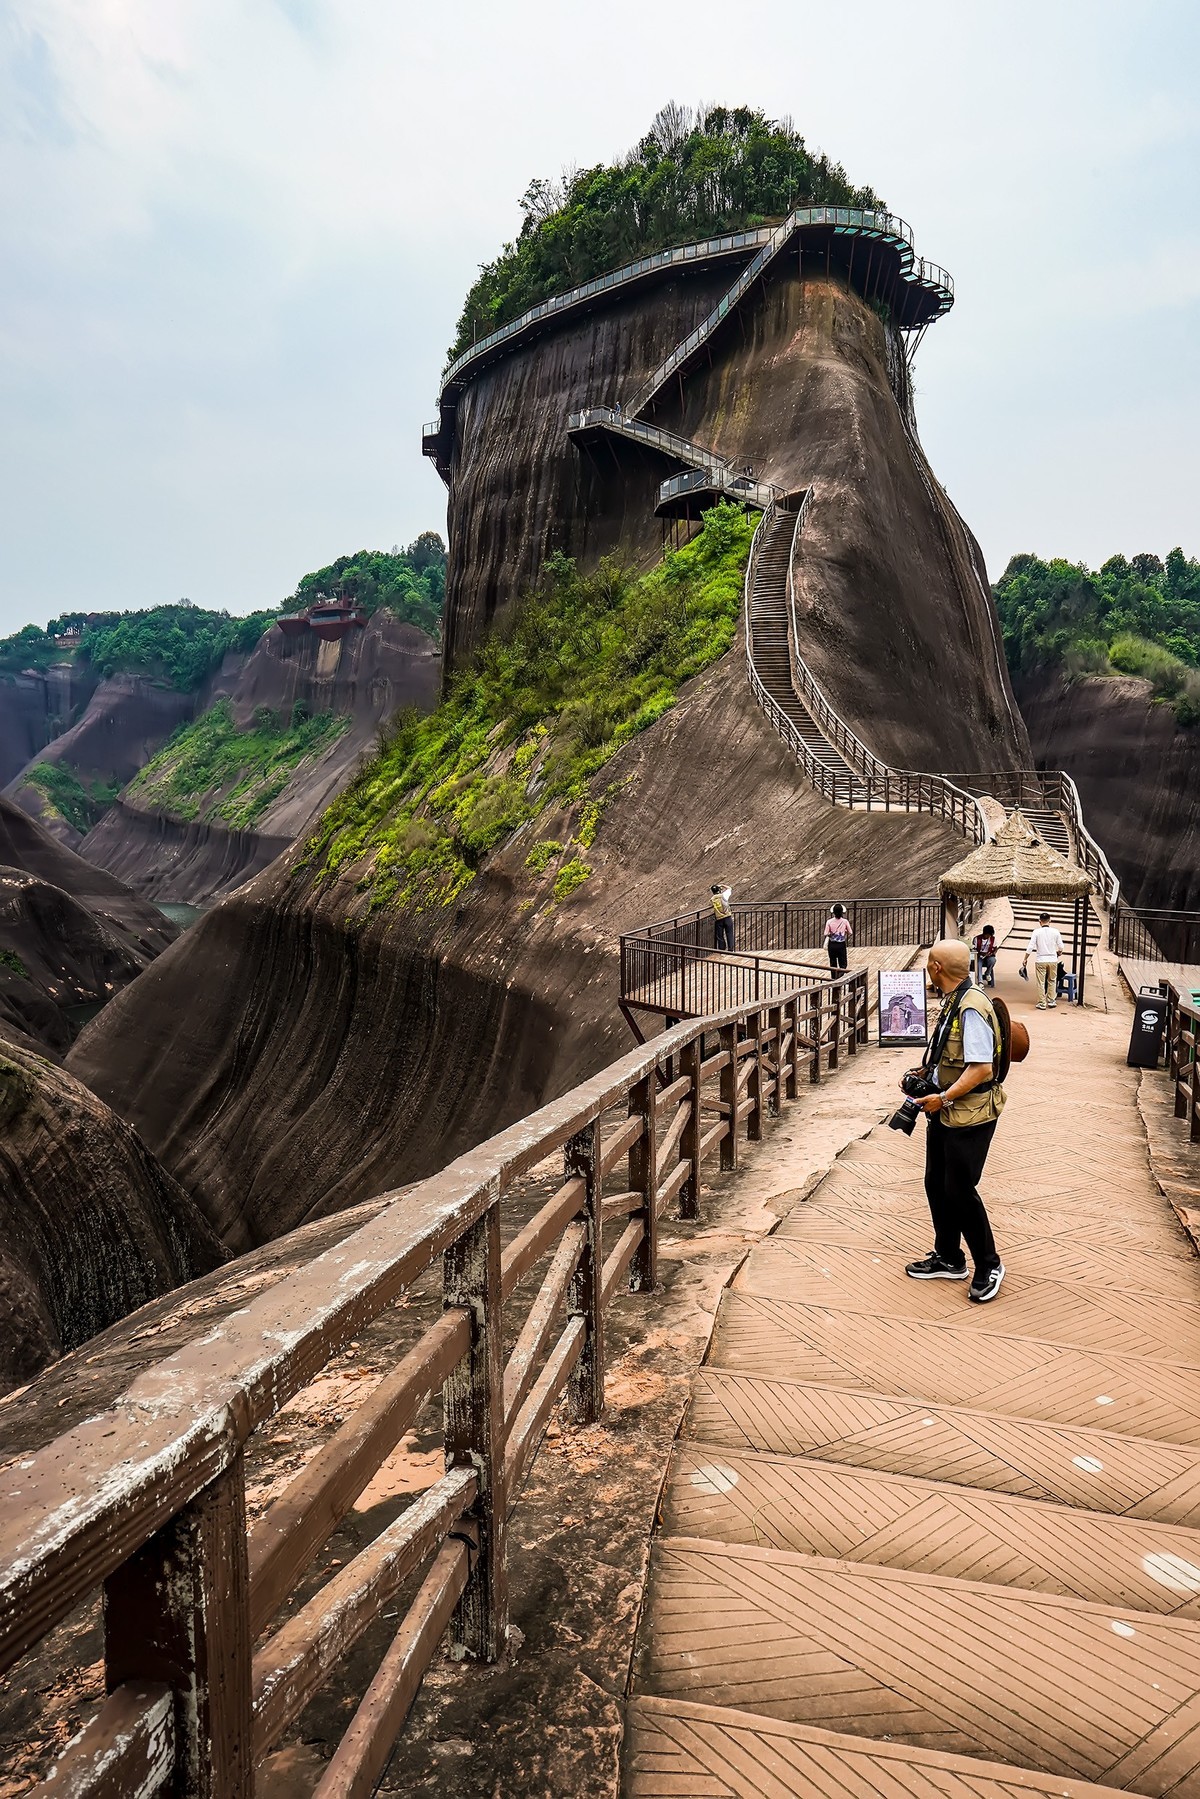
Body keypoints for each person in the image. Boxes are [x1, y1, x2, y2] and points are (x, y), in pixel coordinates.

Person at [904, 937, 1006, 1303]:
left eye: (928, 964)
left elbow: (981, 1068)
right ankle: (949, 1257)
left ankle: (989, 1264)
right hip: (947, 1111)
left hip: (970, 1112)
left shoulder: (971, 1007)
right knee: (936, 1182)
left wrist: (943, 1096)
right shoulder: (955, 998)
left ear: (935, 969)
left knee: (959, 1190)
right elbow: (955, 1056)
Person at [1022, 912, 1066, 1009]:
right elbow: (1061, 946)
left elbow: (1030, 946)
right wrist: (1059, 952)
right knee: (1052, 980)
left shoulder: (1036, 932)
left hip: (1041, 960)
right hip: (1053, 959)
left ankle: (1042, 1003)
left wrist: (1025, 958)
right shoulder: (1055, 931)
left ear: (1039, 922)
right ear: (1050, 921)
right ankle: (1051, 1001)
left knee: (1041, 982)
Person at [824, 903, 852, 971]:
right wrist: (844, 932)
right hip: (841, 944)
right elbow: (850, 932)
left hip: (832, 945)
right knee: (843, 963)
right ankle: (841, 977)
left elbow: (826, 933)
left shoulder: (829, 922)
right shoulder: (845, 921)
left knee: (833, 964)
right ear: (842, 912)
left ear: (833, 912)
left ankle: (834, 978)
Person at [972, 923, 998, 988]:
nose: (989, 936)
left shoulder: (993, 939)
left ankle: (987, 973)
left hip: (988, 956)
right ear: (984, 933)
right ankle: (980, 981)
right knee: (978, 963)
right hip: (979, 956)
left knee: (993, 960)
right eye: (988, 935)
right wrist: (981, 953)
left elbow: (995, 948)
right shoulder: (976, 939)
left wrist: (993, 953)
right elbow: (974, 949)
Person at [711, 883, 734, 952]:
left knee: (720, 935)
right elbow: (729, 888)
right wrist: (722, 885)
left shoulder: (712, 899)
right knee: (729, 933)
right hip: (727, 917)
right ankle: (730, 949)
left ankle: (721, 949)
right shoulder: (724, 895)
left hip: (719, 918)